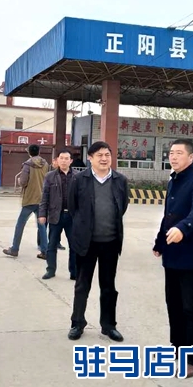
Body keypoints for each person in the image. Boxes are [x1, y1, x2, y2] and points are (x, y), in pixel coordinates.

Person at [153, 139, 193, 379]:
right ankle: (177, 347)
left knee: (191, 308)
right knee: (173, 304)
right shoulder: (173, 180)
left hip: (191, 255)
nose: (173, 157)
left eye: (179, 153)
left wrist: (182, 228)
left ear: (191, 157)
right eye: (171, 153)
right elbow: (169, 215)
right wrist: (160, 242)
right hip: (172, 254)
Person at [67, 141, 129, 342]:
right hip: (86, 243)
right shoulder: (79, 180)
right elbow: (73, 208)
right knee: (82, 285)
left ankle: (109, 326)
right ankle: (77, 323)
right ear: (90, 158)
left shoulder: (120, 180)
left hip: (111, 242)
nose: (104, 159)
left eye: (107, 155)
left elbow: (123, 206)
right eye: (99, 155)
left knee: (108, 286)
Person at [3, 144, 49, 259]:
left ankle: (14, 249)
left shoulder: (27, 165)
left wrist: (19, 180)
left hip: (29, 198)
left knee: (20, 224)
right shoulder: (46, 164)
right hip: (42, 199)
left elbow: (23, 182)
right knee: (42, 226)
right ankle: (45, 251)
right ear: (39, 152)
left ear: (29, 152)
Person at [38, 148, 77, 280]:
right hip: (56, 215)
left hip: (72, 217)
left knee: (74, 246)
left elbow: (83, 198)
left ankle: (74, 272)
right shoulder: (50, 176)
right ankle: (50, 270)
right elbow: (44, 197)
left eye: (66, 158)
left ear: (71, 161)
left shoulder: (78, 176)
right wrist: (42, 214)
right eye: (61, 158)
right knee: (52, 245)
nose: (64, 161)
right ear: (57, 160)